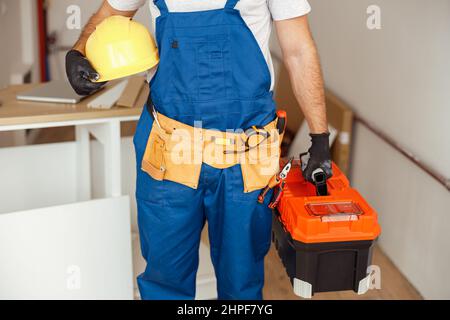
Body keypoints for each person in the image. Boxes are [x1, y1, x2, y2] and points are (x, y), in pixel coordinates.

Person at [66, 0, 332, 300]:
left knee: (241, 284)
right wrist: (79, 50)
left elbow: (298, 49)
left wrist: (319, 136)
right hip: (169, 148)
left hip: (245, 156)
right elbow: (111, 13)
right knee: (165, 281)